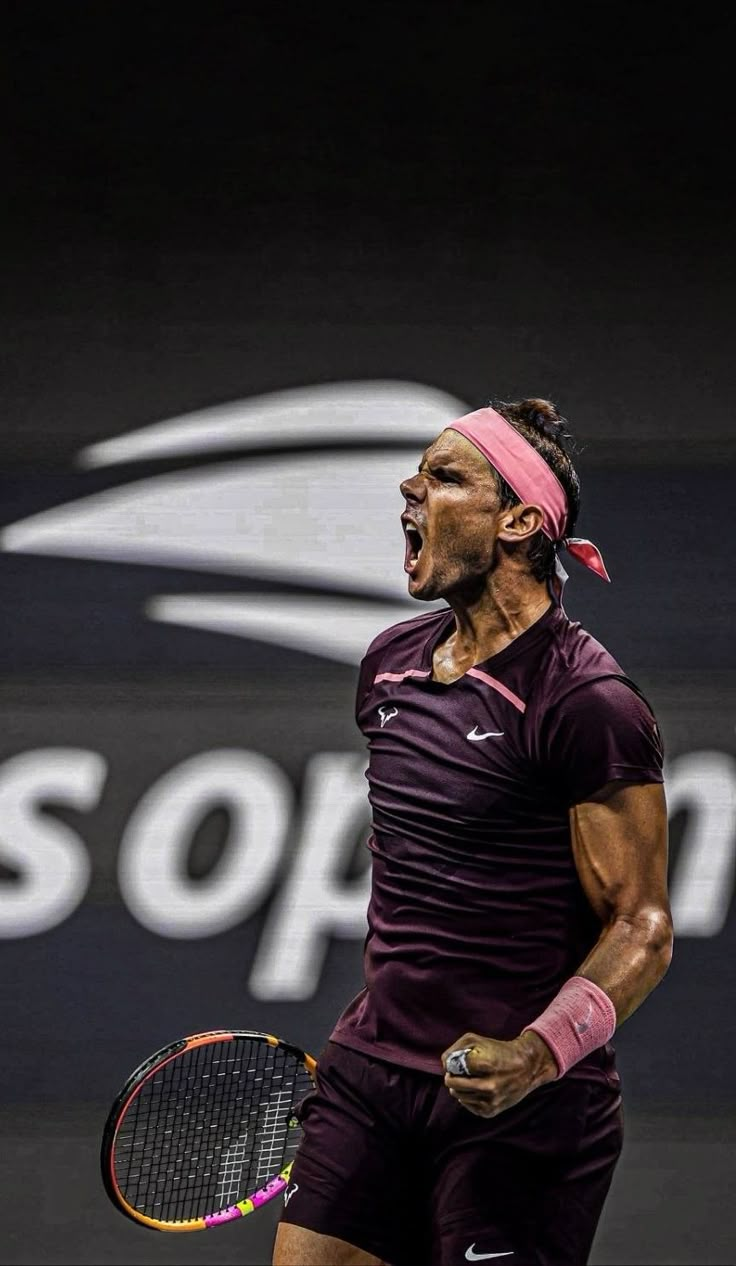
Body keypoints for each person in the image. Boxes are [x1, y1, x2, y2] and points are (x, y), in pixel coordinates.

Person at [272, 398, 673, 1266]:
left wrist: (535, 1054)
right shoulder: (389, 666)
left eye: (446, 476)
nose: (410, 487)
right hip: (370, 1077)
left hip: (523, 1109)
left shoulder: (587, 704)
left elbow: (642, 926)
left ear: (520, 522)